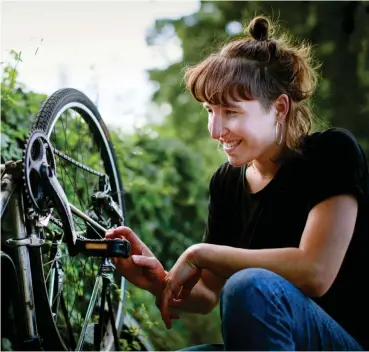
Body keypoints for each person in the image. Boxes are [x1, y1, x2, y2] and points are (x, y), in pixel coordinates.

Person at [106, 15, 369, 351]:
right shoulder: (227, 182)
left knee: (249, 285)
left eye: (230, 112)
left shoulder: (331, 153)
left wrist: (202, 254)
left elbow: (315, 271)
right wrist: (160, 280)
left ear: (279, 108)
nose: (215, 131)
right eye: (208, 111)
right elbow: (207, 295)